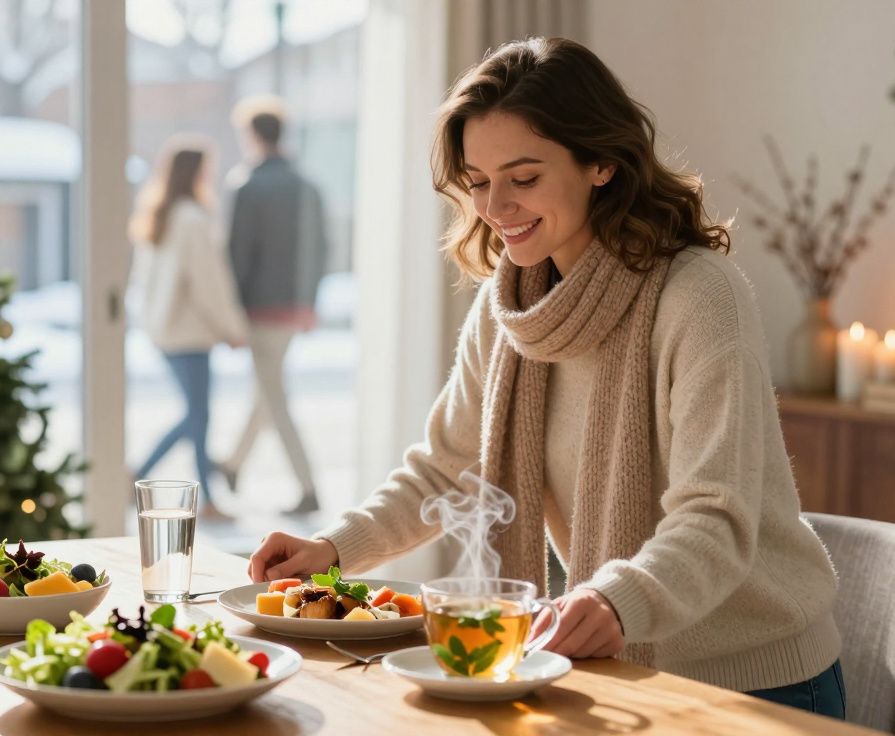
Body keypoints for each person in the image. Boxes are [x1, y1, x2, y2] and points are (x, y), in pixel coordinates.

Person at [246, 38, 845, 719]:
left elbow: (716, 518)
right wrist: (330, 551)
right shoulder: (511, 309)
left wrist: (616, 597)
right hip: (613, 670)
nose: (495, 207)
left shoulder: (699, 297)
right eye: (477, 181)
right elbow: (445, 471)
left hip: (756, 684)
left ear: (600, 163)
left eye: (523, 178)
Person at [216, 96, 328, 515]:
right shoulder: (307, 185)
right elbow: (323, 248)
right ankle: (232, 465)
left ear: (251, 135)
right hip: (294, 307)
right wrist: (309, 302)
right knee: (267, 390)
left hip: (259, 309)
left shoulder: (247, 184)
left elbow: (237, 254)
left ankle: (308, 487)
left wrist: (231, 315)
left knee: (274, 396)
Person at [131, 136, 247, 520]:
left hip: (165, 332)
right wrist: (231, 327)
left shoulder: (159, 215)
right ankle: (191, 493)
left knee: (196, 414)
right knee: (198, 415)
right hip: (190, 334)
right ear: (196, 173)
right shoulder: (192, 220)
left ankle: (142, 476)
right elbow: (208, 283)